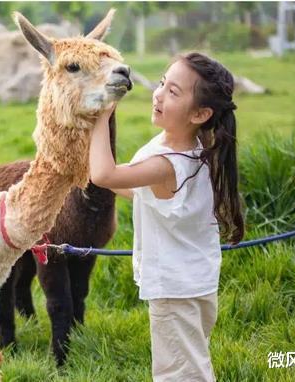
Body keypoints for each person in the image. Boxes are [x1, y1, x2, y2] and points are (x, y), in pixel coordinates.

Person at [89, 52, 245, 381]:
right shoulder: (198, 146)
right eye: (162, 82)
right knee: (189, 364)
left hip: (175, 291)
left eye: (173, 92)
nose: (158, 94)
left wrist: (102, 114)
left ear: (201, 113)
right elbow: (141, 193)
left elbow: (104, 174)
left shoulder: (167, 162)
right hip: (194, 282)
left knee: (180, 374)